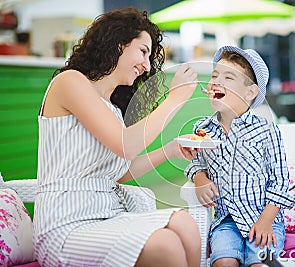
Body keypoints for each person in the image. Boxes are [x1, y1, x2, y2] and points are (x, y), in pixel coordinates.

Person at [33, 7, 201, 267]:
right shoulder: (70, 82)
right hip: (65, 225)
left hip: (108, 213)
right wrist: (175, 100)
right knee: (166, 246)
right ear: (118, 44)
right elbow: (125, 145)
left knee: (185, 223)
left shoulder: (112, 109)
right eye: (143, 51)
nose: (146, 66)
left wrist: (171, 149)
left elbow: (119, 172)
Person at [184, 46, 295, 267]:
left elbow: (281, 181)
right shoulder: (202, 129)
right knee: (223, 261)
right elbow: (195, 162)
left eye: (229, 77)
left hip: (264, 218)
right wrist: (200, 178)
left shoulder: (267, 131)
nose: (217, 81)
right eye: (215, 75)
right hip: (227, 221)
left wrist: (265, 222)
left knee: (260, 263)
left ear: (250, 92)